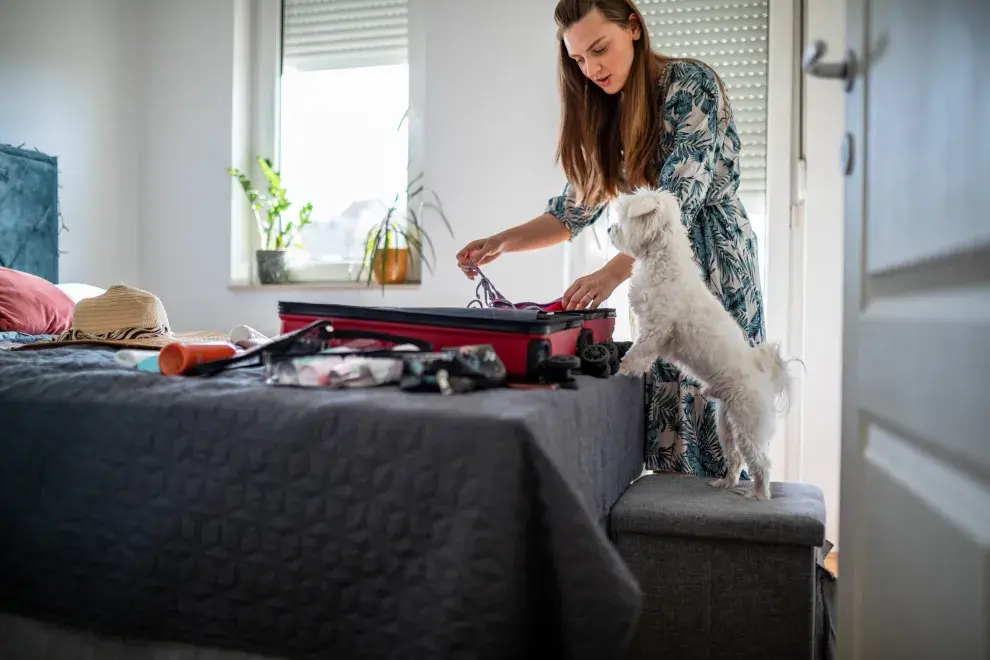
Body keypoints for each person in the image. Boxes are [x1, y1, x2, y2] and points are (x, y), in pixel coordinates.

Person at [455, 0, 766, 476]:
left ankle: (733, 534)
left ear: (634, 29)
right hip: (655, 273)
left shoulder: (690, 85)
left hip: (713, 269)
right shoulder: (609, 112)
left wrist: (611, 272)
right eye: (579, 60)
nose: (592, 68)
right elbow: (570, 213)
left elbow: (678, 198)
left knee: (724, 409)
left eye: (600, 49)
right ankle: (664, 542)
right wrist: (500, 241)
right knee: (668, 428)